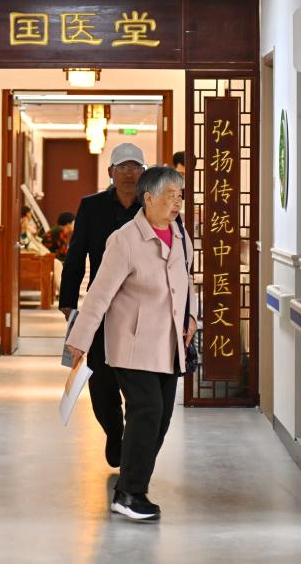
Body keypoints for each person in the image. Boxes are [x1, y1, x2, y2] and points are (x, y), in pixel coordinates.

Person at [65, 166, 196, 522]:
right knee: (147, 410)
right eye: (170, 196)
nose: (177, 203)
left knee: (161, 418)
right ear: (148, 198)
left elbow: (187, 282)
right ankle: (129, 493)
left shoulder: (181, 235)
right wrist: (80, 339)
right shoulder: (124, 240)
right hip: (132, 343)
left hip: (168, 343)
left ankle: (133, 482)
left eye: (180, 196)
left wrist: (192, 318)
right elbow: (99, 293)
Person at [59, 143, 146, 469]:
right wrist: (68, 303)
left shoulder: (152, 207)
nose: (129, 173)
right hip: (102, 305)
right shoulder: (91, 206)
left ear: (144, 173)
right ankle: (113, 430)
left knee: (139, 377)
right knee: (100, 377)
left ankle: (134, 440)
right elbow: (76, 254)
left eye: (135, 167)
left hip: (142, 307)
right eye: (122, 167)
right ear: (110, 172)